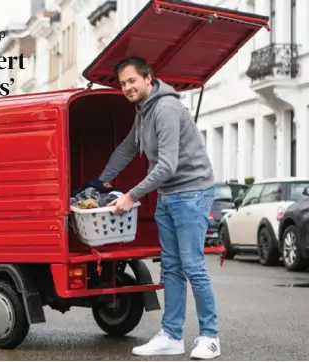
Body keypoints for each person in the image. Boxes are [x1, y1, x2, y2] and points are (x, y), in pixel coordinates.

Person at [99, 56, 220, 359]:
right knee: (172, 268)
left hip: (191, 193)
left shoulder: (165, 109)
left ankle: (210, 337)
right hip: (169, 196)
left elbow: (166, 165)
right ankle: (172, 335)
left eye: (132, 81)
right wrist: (100, 182)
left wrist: (130, 195)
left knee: (192, 266)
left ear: (148, 78)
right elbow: (128, 147)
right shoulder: (144, 110)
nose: (127, 87)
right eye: (123, 83)